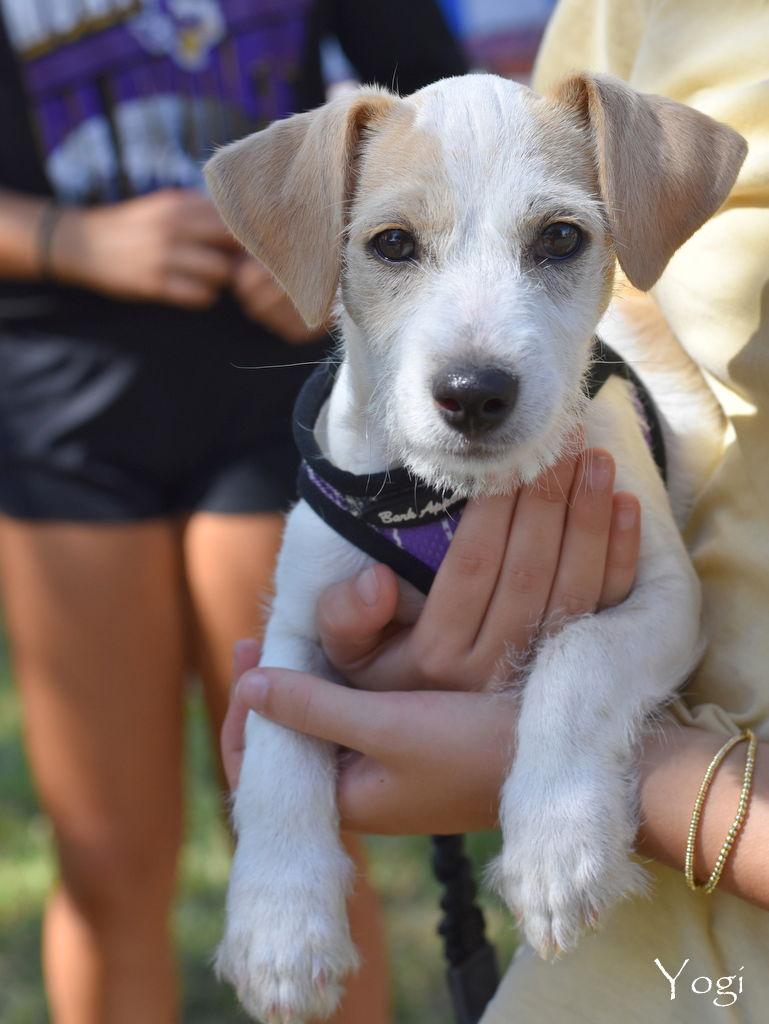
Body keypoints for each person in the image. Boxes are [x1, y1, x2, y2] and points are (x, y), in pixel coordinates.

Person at [225, 0, 769, 1020]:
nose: (477, 357)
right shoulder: (345, 487)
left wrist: (570, 734)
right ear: (321, 239)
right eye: (395, 246)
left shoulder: (599, 437)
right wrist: (283, 853)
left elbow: (666, 600)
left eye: (556, 239)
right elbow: (292, 664)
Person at [0, 2, 465, 1022]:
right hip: (61, 422)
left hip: (276, 415)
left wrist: (325, 251)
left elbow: (445, 118)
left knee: (303, 831)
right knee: (107, 856)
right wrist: (64, 238)